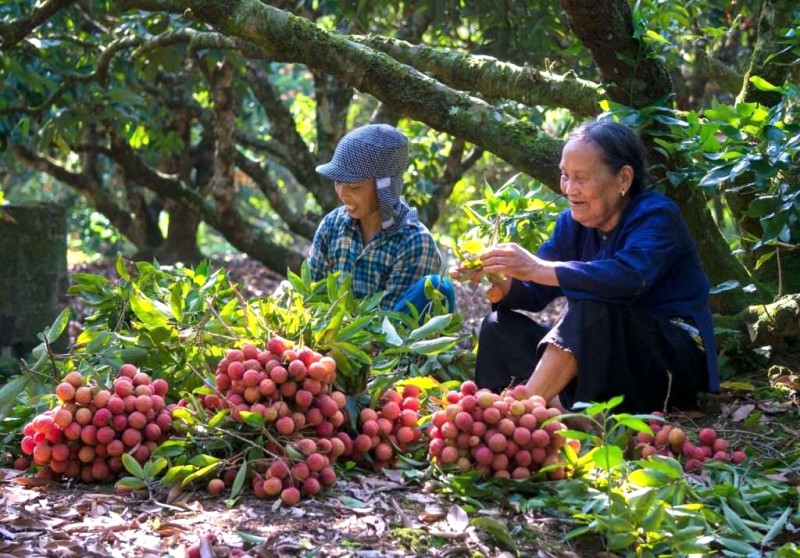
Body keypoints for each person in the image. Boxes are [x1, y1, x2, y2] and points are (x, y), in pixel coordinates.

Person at [459, 120, 718, 414]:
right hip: (602, 362)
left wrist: (535, 267)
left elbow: (628, 278)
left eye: (581, 178)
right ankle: (559, 413)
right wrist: (502, 277)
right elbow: (534, 293)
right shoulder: (573, 224)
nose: (569, 188)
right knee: (497, 327)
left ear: (623, 179)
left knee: (594, 303)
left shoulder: (657, 215)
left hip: (667, 362)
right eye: (565, 176)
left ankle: (522, 412)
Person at [309, 123, 455, 314]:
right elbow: (313, 294)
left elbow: (390, 329)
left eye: (354, 187)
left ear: (383, 188)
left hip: (388, 340)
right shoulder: (332, 225)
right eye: (338, 182)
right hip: (327, 336)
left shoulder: (414, 242)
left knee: (438, 286)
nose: (342, 194)